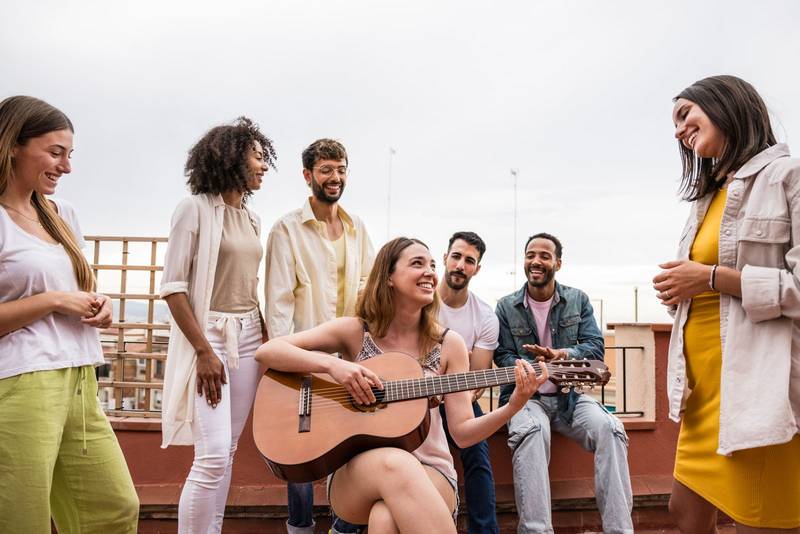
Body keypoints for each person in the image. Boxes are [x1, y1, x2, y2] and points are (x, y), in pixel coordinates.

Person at [256, 237, 547, 533]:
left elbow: (462, 434)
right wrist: (335, 366)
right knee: (396, 463)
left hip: (432, 470)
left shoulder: (449, 344)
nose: (431, 272)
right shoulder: (354, 331)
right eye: (417, 263)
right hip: (356, 476)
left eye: (432, 265)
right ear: (389, 277)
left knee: (384, 519)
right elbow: (267, 351)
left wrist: (514, 405)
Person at [654, 75, 800, 533]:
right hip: (703, 394)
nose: (678, 131)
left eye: (685, 115)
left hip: (758, 389)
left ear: (725, 105)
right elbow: (709, 295)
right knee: (685, 512)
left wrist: (712, 277)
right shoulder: (707, 197)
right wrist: (681, 290)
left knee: (760, 522)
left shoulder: (787, 178)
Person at [0, 95, 139, 532]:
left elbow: (79, 289)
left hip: (79, 378)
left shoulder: (63, 214)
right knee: (22, 520)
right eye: (55, 152)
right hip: (20, 384)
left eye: (69, 155)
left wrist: (99, 304)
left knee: (115, 508)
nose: (66, 166)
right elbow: (56, 296)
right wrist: (55, 301)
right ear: (13, 146)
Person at [159, 117, 276, 533]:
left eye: (265, 158)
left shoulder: (253, 218)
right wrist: (204, 352)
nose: (264, 166)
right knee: (210, 455)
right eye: (257, 157)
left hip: (247, 337)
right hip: (207, 335)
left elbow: (249, 283)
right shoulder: (194, 209)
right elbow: (173, 288)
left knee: (226, 453)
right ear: (230, 157)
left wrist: (263, 334)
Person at [263, 138, 374, 534]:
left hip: (351, 362)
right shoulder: (285, 230)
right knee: (300, 456)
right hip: (303, 360)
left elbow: (368, 285)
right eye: (326, 170)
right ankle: (301, 529)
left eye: (341, 169)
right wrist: (286, 361)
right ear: (308, 175)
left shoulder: (357, 227)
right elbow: (277, 303)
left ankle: (345, 527)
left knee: (354, 446)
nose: (335, 177)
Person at [494, 232, 633, 534]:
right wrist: (531, 369)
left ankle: (620, 530)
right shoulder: (505, 306)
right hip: (525, 399)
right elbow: (502, 354)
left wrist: (563, 355)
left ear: (558, 263)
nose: (536, 261)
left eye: (544, 255)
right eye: (531, 254)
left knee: (612, 429)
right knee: (532, 431)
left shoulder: (578, 300)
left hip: (569, 398)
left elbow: (596, 347)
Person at [436, 231, 500, 534]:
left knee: (478, 453)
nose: (461, 265)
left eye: (469, 261)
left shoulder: (485, 316)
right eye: (457, 257)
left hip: (458, 400)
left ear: (477, 268)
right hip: (410, 399)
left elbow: (477, 380)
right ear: (445, 257)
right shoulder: (420, 302)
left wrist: (450, 401)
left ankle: (484, 530)